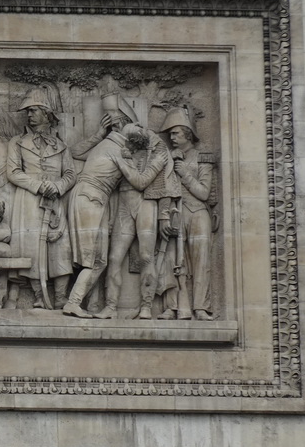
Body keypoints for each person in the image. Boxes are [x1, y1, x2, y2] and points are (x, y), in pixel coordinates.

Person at [62, 94, 167, 319]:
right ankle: (72, 303)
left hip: (90, 199)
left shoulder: (109, 144)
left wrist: (100, 136)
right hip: (91, 199)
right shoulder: (117, 148)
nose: (141, 128)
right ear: (121, 127)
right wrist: (157, 164)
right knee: (93, 259)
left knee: (99, 260)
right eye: (136, 125)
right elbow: (139, 182)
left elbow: (77, 152)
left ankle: (75, 302)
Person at [6, 85, 76, 310]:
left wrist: (57, 187)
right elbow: (13, 172)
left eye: (33, 110)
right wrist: (38, 186)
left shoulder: (62, 146)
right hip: (29, 200)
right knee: (32, 246)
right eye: (28, 111)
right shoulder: (17, 142)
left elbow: (71, 174)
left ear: (46, 113)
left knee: (60, 246)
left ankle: (60, 297)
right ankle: (38, 295)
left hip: (55, 199)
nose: (29, 115)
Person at [156, 105, 217, 321]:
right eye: (170, 133)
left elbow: (203, 192)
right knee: (171, 259)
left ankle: (200, 307)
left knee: (201, 261)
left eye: (175, 132)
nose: (171, 137)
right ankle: (172, 307)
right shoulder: (168, 158)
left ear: (187, 133)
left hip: (198, 213)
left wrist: (185, 174)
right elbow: (161, 188)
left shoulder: (202, 158)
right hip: (175, 213)